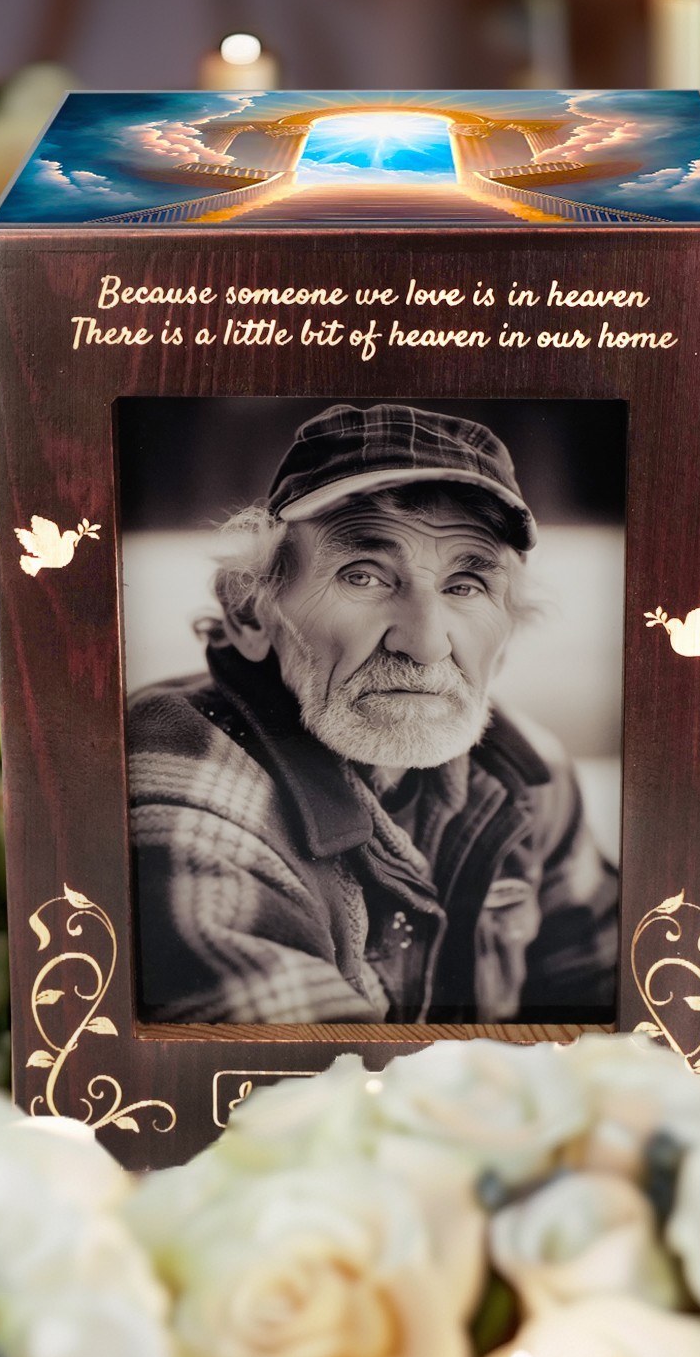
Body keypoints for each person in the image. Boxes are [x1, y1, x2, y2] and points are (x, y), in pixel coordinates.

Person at [127, 401, 619, 1024]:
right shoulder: (189, 763)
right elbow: (306, 1077)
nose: (426, 643)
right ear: (251, 615)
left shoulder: (528, 771)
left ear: (507, 634)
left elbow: (618, 1016)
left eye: (465, 587)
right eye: (363, 576)